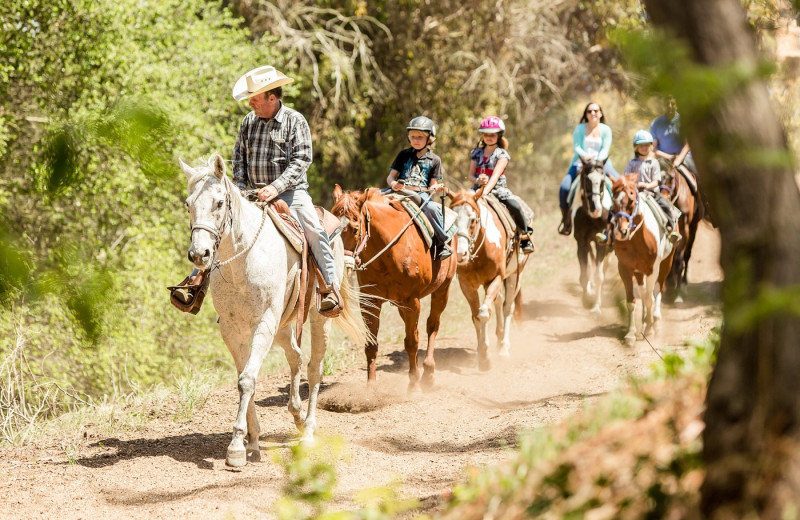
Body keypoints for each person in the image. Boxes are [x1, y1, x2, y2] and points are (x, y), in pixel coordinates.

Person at [172, 65, 341, 314]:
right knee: (221, 226)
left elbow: (302, 160)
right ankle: (197, 281)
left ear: (271, 97)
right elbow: (238, 158)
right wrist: (239, 190)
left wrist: (276, 187)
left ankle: (330, 287)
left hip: (291, 193)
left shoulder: (295, 121)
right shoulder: (248, 122)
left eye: (255, 98)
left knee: (314, 229)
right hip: (251, 194)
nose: (250, 103)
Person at [597, 130, 681, 245]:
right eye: (641, 146)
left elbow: (656, 181)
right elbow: (625, 178)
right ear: (636, 147)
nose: (644, 148)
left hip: (651, 193)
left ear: (651, 146)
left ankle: (671, 229)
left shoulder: (654, 163)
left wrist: (646, 185)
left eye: (647, 145)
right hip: (634, 192)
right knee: (615, 207)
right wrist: (632, 185)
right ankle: (608, 232)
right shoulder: (632, 163)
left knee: (665, 205)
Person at [387, 116, 452, 260]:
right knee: (371, 198)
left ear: (429, 138)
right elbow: (390, 177)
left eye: (420, 137)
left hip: (420, 194)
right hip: (398, 190)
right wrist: (393, 184)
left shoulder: (435, 160)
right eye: (412, 136)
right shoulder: (403, 154)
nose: (415, 140)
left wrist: (435, 188)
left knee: (433, 209)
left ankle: (442, 243)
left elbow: (432, 184)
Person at [469, 116, 534, 254]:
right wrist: (477, 181)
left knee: (515, 206)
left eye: (492, 135)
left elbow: (494, 177)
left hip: (498, 190)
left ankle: (525, 236)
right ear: (482, 135)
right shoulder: (476, 153)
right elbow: (470, 175)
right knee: (461, 206)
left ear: (499, 135)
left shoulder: (502, 154)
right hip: (476, 189)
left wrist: (484, 192)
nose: (489, 137)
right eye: (486, 134)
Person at [558, 102, 619, 236]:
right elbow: (577, 147)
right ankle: (566, 220)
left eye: (596, 111)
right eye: (589, 111)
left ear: (601, 113)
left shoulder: (606, 130)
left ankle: (617, 220)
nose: (593, 113)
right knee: (564, 188)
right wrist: (585, 158)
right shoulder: (580, 128)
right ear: (586, 114)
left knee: (620, 185)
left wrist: (596, 161)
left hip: (602, 163)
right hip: (581, 162)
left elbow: (605, 149)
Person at [650, 95, 696, 175]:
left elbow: (688, 144)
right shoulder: (656, 123)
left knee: (699, 178)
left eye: (673, 104)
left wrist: (678, 160)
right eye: (667, 104)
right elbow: (654, 148)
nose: (670, 106)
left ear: (677, 106)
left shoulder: (683, 121)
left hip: (684, 159)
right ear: (664, 106)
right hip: (663, 161)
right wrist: (670, 157)